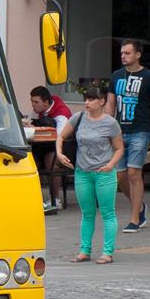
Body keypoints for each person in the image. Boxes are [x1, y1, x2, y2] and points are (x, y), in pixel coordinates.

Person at [56, 86, 124, 264]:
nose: (87, 102)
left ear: (102, 102)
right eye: (85, 99)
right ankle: (84, 251)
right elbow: (61, 136)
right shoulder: (78, 118)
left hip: (103, 173)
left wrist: (110, 166)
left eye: (91, 99)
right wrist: (59, 153)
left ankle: (107, 252)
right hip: (82, 172)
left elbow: (119, 148)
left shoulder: (110, 123)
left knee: (108, 213)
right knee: (87, 214)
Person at [105, 38, 150, 233]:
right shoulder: (115, 76)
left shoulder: (149, 77)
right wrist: (106, 130)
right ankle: (139, 206)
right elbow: (110, 105)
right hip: (119, 133)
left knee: (133, 173)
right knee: (121, 177)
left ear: (138, 55)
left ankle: (134, 219)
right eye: (122, 53)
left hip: (141, 131)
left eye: (127, 53)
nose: (123, 56)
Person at [25, 85, 73, 210]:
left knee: (50, 159)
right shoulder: (36, 112)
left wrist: (35, 129)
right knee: (28, 159)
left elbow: (60, 135)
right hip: (41, 147)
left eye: (36, 102)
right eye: (32, 102)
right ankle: (30, 197)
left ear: (46, 103)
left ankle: (55, 199)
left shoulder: (61, 113)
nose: (33, 105)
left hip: (64, 149)